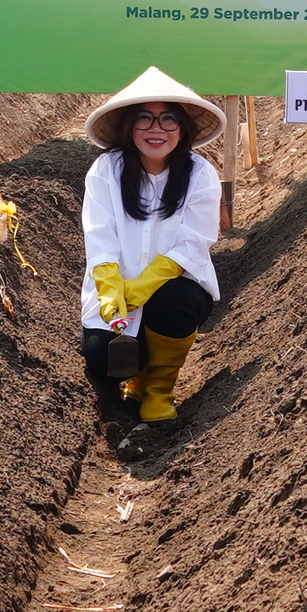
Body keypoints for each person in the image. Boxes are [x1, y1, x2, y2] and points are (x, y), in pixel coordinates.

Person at [78, 67, 227, 432]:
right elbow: (99, 233)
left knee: (176, 302)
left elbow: (194, 241)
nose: (156, 129)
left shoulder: (200, 174)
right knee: (102, 359)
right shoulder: (105, 170)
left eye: (167, 120)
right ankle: (135, 379)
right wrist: (111, 285)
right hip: (116, 296)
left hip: (173, 290)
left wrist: (146, 284)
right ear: (129, 127)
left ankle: (159, 388)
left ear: (182, 129)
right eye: (144, 118)